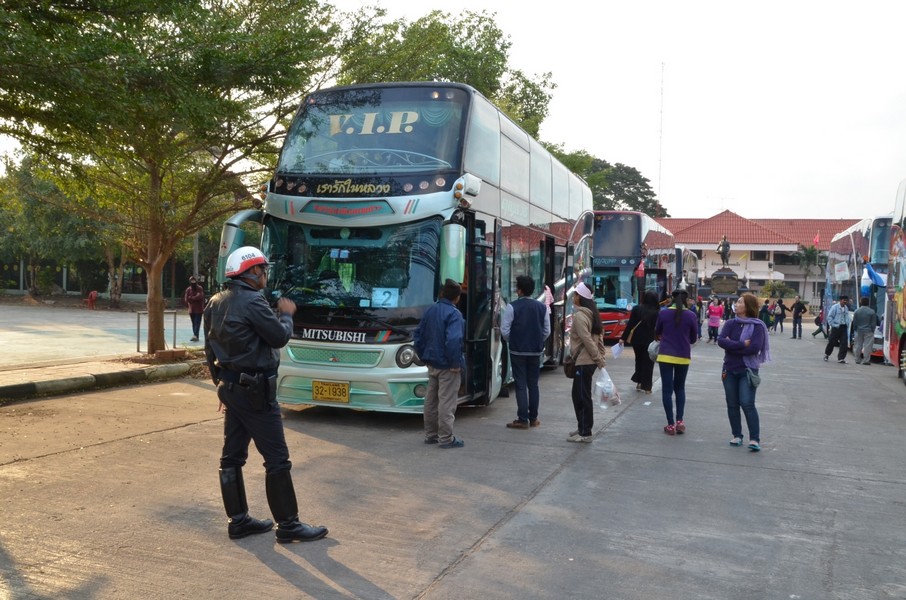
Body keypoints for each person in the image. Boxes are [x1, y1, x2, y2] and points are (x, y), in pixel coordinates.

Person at [204, 246, 328, 543]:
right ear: (252, 271)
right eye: (263, 269)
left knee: (231, 457)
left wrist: (221, 385)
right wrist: (286, 315)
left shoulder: (215, 301)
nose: (265, 275)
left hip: (231, 388)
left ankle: (238, 521)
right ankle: (288, 525)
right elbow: (279, 336)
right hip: (256, 391)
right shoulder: (252, 302)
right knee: (277, 459)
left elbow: (209, 349)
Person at [413, 279, 466, 449]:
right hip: (448, 366)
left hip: (432, 363)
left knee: (431, 400)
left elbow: (418, 335)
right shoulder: (454, 314)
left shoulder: (430, 310)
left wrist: (424, 356)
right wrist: (455, 363)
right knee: (446, 402)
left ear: (442, 293)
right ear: (457, 298)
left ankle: (431, 434)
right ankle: (446, 438)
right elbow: (454, 340)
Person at [717, 293, 770, 452]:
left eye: (740, 302)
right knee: (732, 403)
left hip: (748, 370)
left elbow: (754, 348)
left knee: (747, 403)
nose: (736, 304)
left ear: (748, 306)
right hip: (729, 369)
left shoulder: (758, 326)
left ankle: (754, 439)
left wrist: (731, 346)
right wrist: (741, 344)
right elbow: (721, 341)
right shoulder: (730, 323)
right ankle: (737, 435)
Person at [501, 275, 551, 429]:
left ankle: (523, 419)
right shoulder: (542, 307)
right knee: (533, 385)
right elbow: (547, 331)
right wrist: (537, 340)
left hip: (517, 351)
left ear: (519, 290)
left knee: (521, 385)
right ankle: (533, 418)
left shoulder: (512, 307)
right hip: (535, 352)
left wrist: (514, 340)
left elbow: (505, 331)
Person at [654, 287, 699, 435]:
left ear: (672, 298)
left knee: (667, 390)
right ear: (687, 299)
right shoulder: (691, 315)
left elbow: (657, 332)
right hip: (683, 356)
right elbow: (693, 338)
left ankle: (670, 424)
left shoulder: (664, 313)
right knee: (680, 389)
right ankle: (680, 421)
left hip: (665, 356)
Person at [567, 282, 607, 443]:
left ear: (580, 297)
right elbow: (599, 339)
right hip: (588, 362)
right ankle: (582, 426)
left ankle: (585, 432)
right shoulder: (593, 314)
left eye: (576, 294)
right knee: (578, 394)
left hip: (584, 361)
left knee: (582, 396)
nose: (574, 297)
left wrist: (599, 359)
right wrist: (600, 357)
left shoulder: (580, 316)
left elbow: (587, 340)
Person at [619, 290, 660, 394]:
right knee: (649, 363)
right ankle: (647, 387)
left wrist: (623, 338)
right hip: (650, 340)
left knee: (639, 360)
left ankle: (639, 382)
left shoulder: (637, 309)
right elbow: (659, 327)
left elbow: (630, 324)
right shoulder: (657, 311)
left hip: (636, 339)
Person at [823, 295, 851, 363]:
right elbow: (830, 317)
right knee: (832, 342)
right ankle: (827, 354)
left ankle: (841, 358)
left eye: (846, 300)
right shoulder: (835, 307)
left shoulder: (846, 308)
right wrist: (833, 325)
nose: (845, 302)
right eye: (844, 300)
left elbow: (847, 316)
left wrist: (847, 323)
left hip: (844, 327)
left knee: (844, 343)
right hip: (836, 327)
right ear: (840, 300)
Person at [851, 297, 878, 365]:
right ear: (868, 303)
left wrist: (855, 329)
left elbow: (854, 322)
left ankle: (857, 359)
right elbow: (873, 323)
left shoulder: (857, 311)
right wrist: (872, 330)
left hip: (858, 331)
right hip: (869, 331)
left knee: (858, 345)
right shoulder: (872, 312)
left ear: (861, 302)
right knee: (867, 346)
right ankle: (866, 360)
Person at [183, 275, 205, 342]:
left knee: (197, 322)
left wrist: (191, 297)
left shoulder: (200, 288)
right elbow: (186, 299)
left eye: (194, 281)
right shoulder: (188, 289)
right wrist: (194, 297)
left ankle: (195, 335)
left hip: (199, 309)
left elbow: (200, 296)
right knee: (193, 323)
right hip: (191, 310)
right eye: (191, 281)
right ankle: (196, 336)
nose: (193, 282)